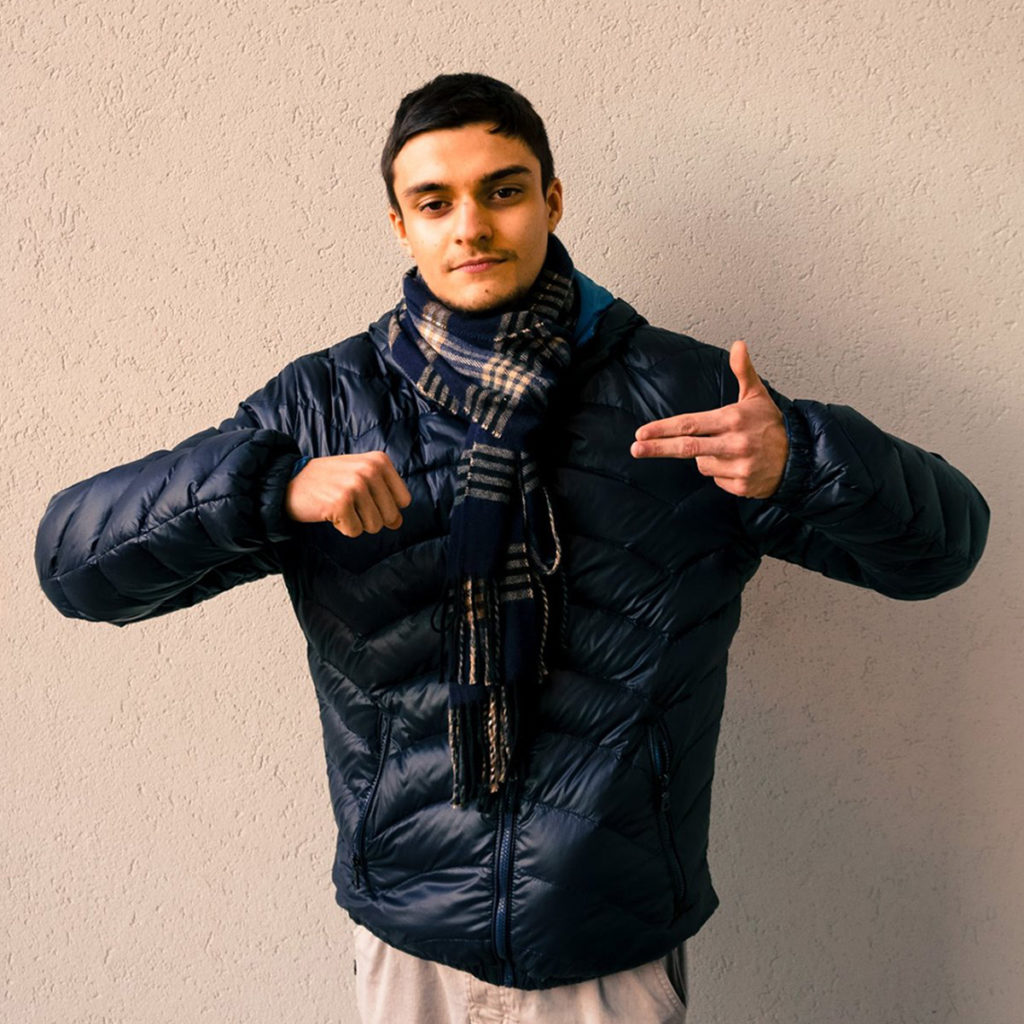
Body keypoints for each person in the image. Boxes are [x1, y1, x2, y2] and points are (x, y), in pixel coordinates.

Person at [35, 73, 989, 1023]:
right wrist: (269, 491)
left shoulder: (688, 396)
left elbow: (942, 550)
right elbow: (75, 568)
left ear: (552, 199)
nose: (472, 227)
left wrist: (804, 461)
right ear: (399, 226)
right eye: (434, 202)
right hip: (410, 940)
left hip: (608, 946)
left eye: (502, 190)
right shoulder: (325, 406)